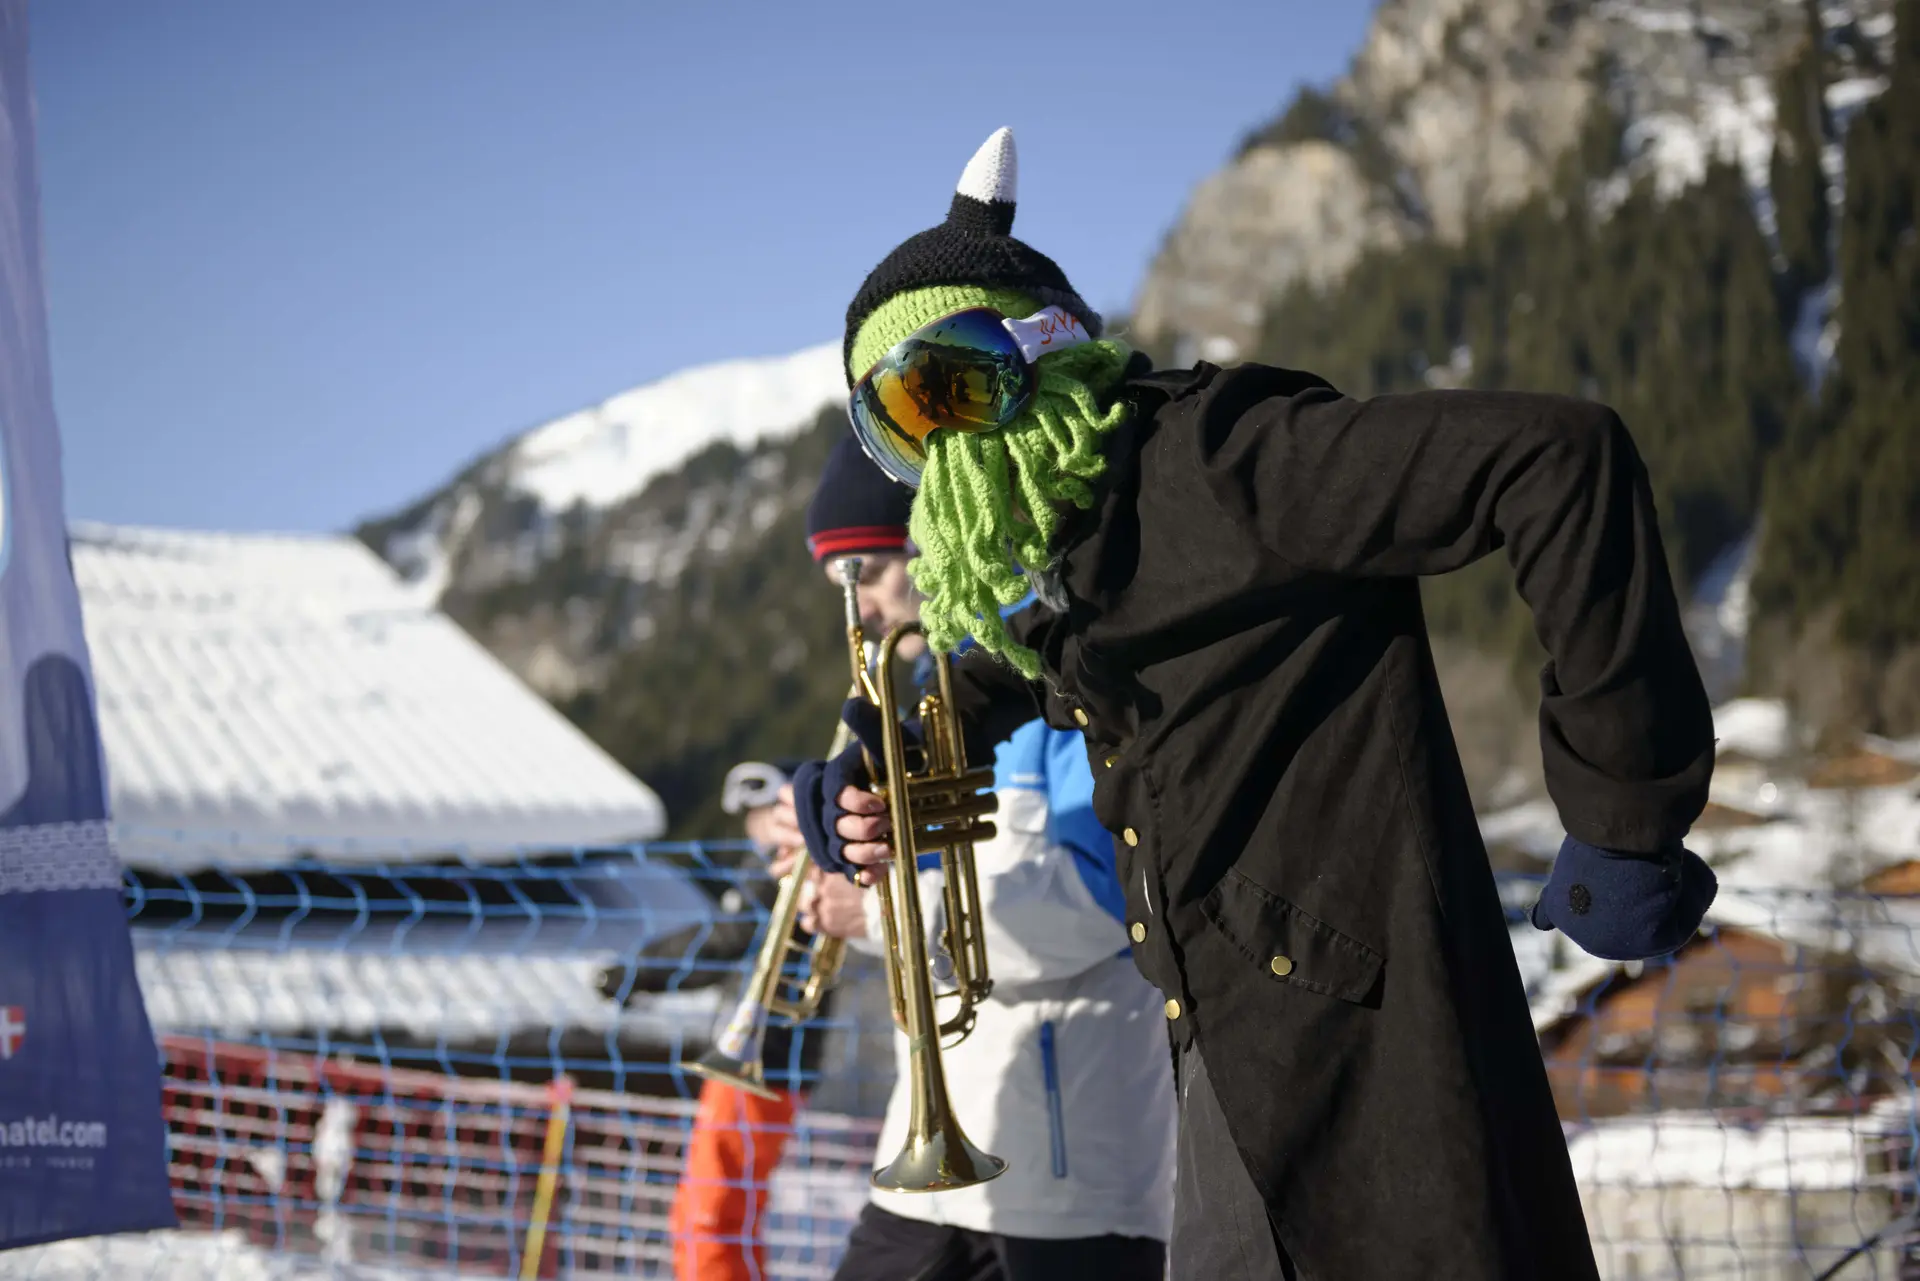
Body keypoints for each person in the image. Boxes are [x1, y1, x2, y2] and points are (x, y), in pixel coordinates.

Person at [792, 128, 1721, 1280]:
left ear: (1046, 350)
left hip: (1381, 1040)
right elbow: (1007, 663)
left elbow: (1557, 458)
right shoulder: (1076, 549)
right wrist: (867, 763)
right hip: (1221, 1051)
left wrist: (1624, 815)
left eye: (956, 382)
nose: (944, 443)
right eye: (899, 424)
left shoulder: (1229, 462)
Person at [786, 436, 1176, 1281]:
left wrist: (883, 914)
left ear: (935, 539)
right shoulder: (930, 704)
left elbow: (1105, 906)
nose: (863, 611)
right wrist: (855, 865)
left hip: (1074, 1171)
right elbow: (942, 904)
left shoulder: (1057, 681)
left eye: (868, 573)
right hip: (935, 1147)